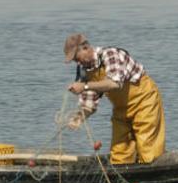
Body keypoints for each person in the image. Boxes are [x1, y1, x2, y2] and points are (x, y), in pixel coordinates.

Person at [63, 33, 165, 164]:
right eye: (74, 61)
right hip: (121, 110)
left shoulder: (110, 55)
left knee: (148, 152)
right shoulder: (84, 70)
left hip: (145, 103)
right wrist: (78, 119)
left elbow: (114, 84)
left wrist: (84, 86)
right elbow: (89, 104)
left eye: (76, 58)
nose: (77, 62)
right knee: (119, 155)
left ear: (86, 48)